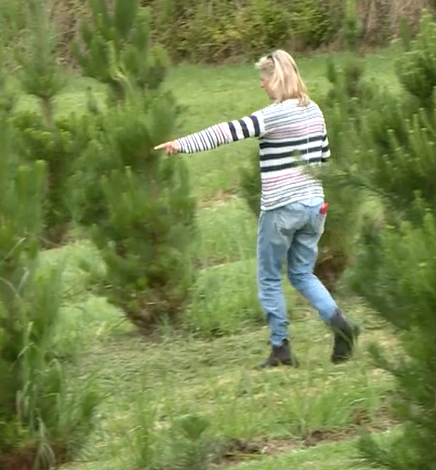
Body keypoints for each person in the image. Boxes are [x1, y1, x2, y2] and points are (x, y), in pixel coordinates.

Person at [154, 49, 360, 369]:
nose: (262, 87)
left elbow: (226, 131)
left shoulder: (274, 115)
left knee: (268, 278)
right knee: (302, 273)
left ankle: (281, 349)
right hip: (314, 205)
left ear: (275, 79)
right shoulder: (315, 111)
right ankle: (340, 325)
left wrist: (182, 144)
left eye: (263, 80)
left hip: (281, 207)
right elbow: (324, 159)